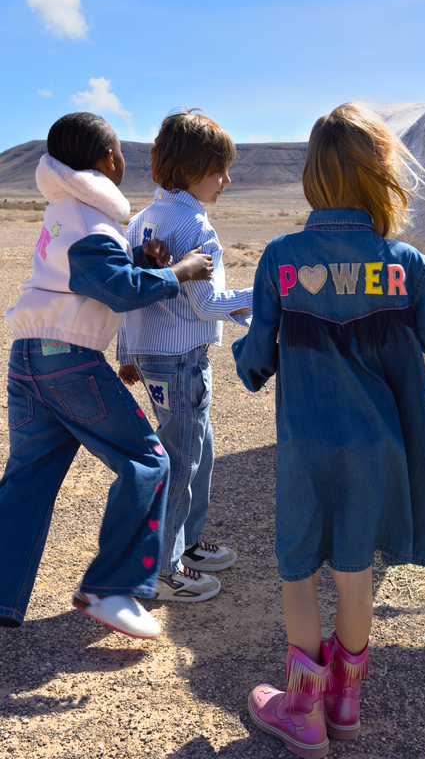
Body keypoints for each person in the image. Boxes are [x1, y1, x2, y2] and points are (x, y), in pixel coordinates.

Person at [232, 102, 425, 759]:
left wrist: (247, 345)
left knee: (299, 571)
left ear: (313, 174)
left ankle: (302, 711)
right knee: (355, 573)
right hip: (377, 450)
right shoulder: (404, 263)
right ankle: (344, 704)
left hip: (305, 450)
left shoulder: (281, 258)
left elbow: (256, 363)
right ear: (383, 172)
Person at [0, 112, 214, 639]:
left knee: (28, 477)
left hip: (28, 355)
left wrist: (137, 257)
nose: (123, 158)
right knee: (148, 462)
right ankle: (112, 587)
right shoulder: (92, 223)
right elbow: (118, 290)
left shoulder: (63, 212)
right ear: (106, 160)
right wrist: (178, 272)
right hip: (68, 361)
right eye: (118, 150)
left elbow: (89, 275)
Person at [117, 109, 252, 603]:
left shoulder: (140, 221)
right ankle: (162, 569)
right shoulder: (195, 226)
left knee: (198, 450)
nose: (226, 181)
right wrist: (265, 298)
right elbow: (208, 304)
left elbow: (130, 293)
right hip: (181, 363)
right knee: (181, 461)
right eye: (219, 170)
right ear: (193, 169)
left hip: (152, 359)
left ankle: (187, 542)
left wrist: (126, 353)